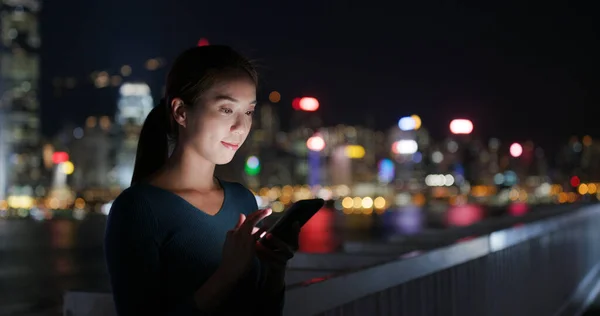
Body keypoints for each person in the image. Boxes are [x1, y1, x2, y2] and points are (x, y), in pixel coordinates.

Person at [104, 45, 297, 315]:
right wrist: (227, 274)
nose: (241, 127)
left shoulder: (242, 199)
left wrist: (274, 269)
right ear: (181, 112)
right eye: (226, 110)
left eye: (249, 112)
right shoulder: (138, 208)